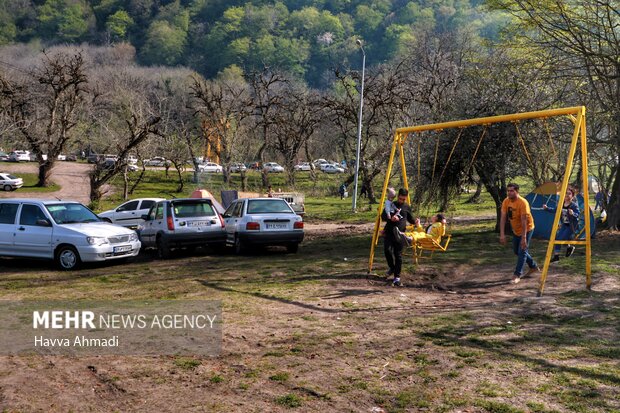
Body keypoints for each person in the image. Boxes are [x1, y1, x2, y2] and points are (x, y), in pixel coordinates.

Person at [500, 183, 540, 284]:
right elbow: (503, 218)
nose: (509, 193)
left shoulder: (523, 202)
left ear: (517, 191)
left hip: (527, 229)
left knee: (522, 250)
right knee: (517, 251)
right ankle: (533, 266)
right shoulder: (506, 201)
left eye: (512, 191)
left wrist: (524, 238)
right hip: (516, 230)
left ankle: (517, 275)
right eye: (508, 191)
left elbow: (524, 221)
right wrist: (502, 234)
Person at [382, 188, 416, 287]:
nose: (401, 201)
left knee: (398, 255)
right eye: (400, 199)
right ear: (398, 196)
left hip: (400, 235)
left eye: (403, 199)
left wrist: (416, 222)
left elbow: (410, 219)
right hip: (389, 232)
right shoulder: (391, 204)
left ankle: (397, 277)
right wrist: (391, 218)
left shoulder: (406, 207)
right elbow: (383, 216)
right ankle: (392, 267)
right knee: (387, 250)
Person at [544, 187, 580, 262]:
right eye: (565, 193)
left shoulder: (574, 205)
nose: (567, 195)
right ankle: (556, 256)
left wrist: (573, 213)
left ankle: (569, 247)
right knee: (557, 239)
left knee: (562, 238)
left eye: (569, 194)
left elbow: (577, 214)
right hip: (564, 224)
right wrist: (547, 208)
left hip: (571, 225)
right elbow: (555, 210)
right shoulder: (561, 204)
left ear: (572, 196)